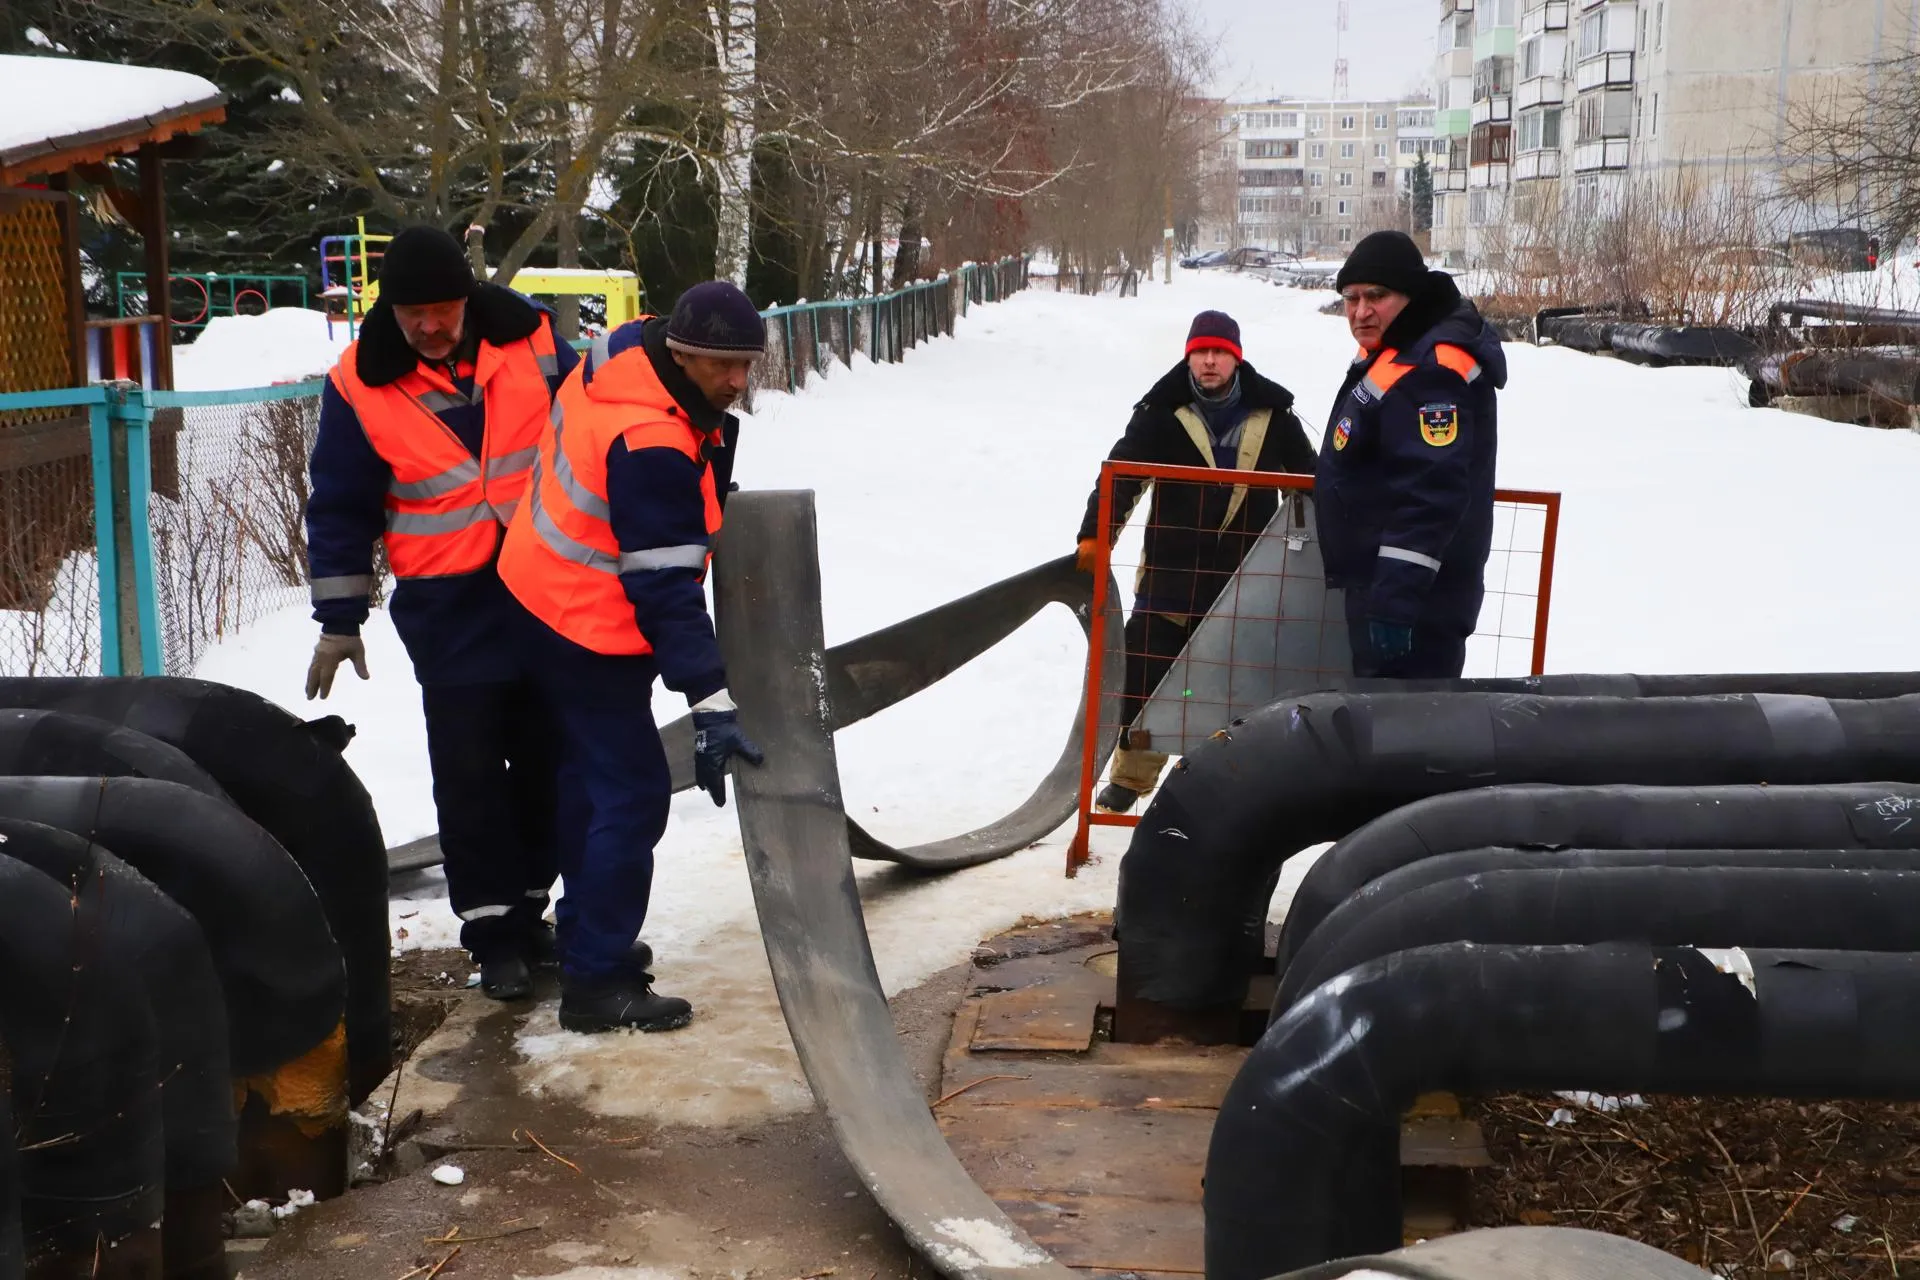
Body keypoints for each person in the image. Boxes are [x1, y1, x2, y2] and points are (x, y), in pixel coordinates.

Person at [305, 225, 577, 1000]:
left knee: (548, 759)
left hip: (544, 590)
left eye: (443, 310)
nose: (429, 326)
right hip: (448, 608)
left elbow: (592, 435)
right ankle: (493, 936)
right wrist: (340, 617)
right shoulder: (358, 383)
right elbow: (342, 505)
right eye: (412, 313)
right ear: (388, 309)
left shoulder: (534, 342)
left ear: (469, 298)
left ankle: (531, 909)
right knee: (469, 773)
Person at [496, 281, 766, 1034]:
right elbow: (664, 588)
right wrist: (710, 703)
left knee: (587, 782)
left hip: (537, 588)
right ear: (680, 352)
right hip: (585, 620)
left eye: (746, 364)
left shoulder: (622, 353)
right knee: (633, 794)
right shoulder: (651, 443)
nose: (736, 381)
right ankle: (598, 983)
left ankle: (587, 936)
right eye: (719, 366)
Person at [1074, 310, 1316, 814]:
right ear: (1188, 357)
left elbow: (1310, 484)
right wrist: (1096, 536)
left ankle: (1231, 783)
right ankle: (1131, 776)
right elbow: (1120, 477)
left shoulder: (1275, 415)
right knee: (1146, 675)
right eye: (1201, 351)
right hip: (1169, 577)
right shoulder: (1160, 412)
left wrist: (1318, 553)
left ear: (1236, 358)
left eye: (1219, 352)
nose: (1209, 361)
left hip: (1246, 577)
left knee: (1239, 685)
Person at [1316, 229, 1506, 679]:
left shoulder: (1430, 370)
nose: (1361, 311)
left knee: (1407, 720)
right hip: (1389, 588)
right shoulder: (1397, 352)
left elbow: (1430, 494)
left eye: (1376, 296)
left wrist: (1395, 602)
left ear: (1410, 296)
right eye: (1351, 298)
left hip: (1416, 603)